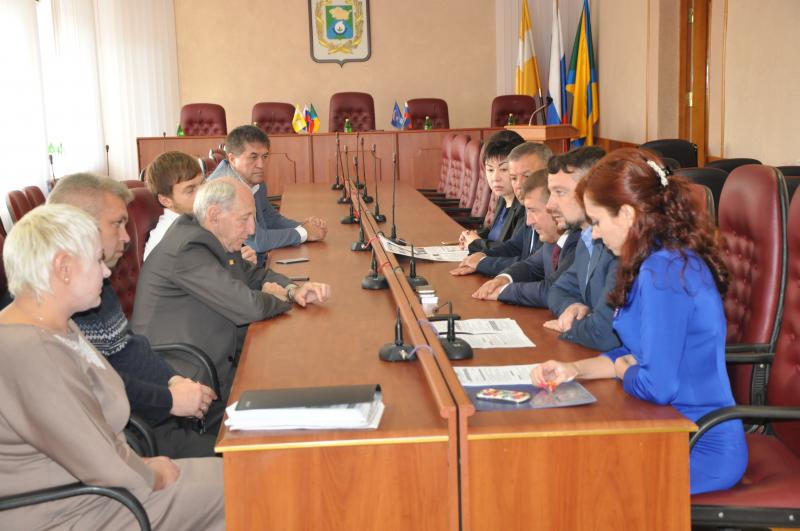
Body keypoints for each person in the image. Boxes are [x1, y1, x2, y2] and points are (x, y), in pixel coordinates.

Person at [532, 148, 747, 495]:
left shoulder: (664, 272)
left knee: (577, 483)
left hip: (695, 442)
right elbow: (635, 354)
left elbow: (657, 385)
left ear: (627, 215)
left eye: (597, 222)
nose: (595, 235)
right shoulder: (651, 259)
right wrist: (574, 370)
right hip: (661, 424)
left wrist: (624, 371)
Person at [0, 204, 224, 530]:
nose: (107, 273)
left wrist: (140, 462)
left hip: (98, 486)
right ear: (63, 268)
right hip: (72, 510)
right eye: (96, 261)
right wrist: (150, 473)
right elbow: (91, 454)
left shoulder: (55, 326)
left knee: (241, 475)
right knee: (247, 485)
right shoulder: (30, 351)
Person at [48, 173, 219, 458]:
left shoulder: (95, 283)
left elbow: (127, 348)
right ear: (80, 226)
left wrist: (174, 380)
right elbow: (98, 386)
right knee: (244, 460)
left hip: (154, 412)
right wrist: (169, 399)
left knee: (249, 423)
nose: (127, 238)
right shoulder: (59, 303)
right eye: (117, 224)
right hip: (133, 435)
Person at [132, 177, 331, 396]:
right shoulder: (188, 249)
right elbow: (250, 307)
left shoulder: (214, 234)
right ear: (214, 215)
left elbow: (255, 274)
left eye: (253, 218)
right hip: (185, 379)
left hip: (217, 353)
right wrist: (281, 297)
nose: (251, 229)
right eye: (245, 219)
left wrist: (294, 289)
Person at [208, 124, 327, 266]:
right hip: (227, 269)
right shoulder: (225, 190)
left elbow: (271, 219)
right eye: (253, 157)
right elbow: (258, 241)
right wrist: (304, 233)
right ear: (232, 159)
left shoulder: (253, 179)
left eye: (264, 156)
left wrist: (304, 226)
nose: (261, 165)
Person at [544, 146, 622, 351]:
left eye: (560, 192)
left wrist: (572, 326)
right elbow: (557, 290)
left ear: (591, 191)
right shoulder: (586, 239)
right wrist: (572, 307)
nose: (549, 205)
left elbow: (605, 334)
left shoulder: (618, 249)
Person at [471, 169, 580, 307]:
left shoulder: (578, 241)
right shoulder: (552, 241)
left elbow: (554, 290)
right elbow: (530, 266)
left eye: (533, 210)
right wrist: (503, 279)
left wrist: (503, 291)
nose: (528, 222)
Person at [450, 142, 552, 276]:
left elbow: (534, 267)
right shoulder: (527, 209)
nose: (519, 185)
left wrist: (483, 262)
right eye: (513, 178)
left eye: (527, 176)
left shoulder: (553, 217)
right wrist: (481, 256)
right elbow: (513, 247)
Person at [458, 131, 525, 253]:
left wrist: (477, 243)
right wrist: (473, 236)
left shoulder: (524, 207)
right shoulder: (503, 199)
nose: (495, 178)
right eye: (490, 169)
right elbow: (495, 233)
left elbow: (512, 251)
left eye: (503, 169)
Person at [143, 151, 206, 261]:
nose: (203, 192)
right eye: (190, 190)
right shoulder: (166, 239)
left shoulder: (198, 218)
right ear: (165, 201)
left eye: (203, 183)